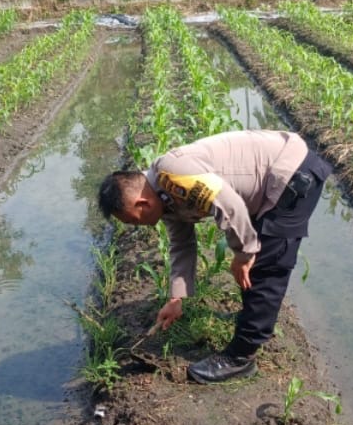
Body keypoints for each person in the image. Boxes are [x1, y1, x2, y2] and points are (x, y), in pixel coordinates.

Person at [97, 130, 331, 384]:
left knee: (266, 267)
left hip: (290, 172)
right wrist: (176, 298)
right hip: (270, 179)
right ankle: (254, 319)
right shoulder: (164, 196)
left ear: (143, 204)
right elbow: (182, 244)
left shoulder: (172, 175)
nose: (137, 226)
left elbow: (229, 205)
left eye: (133, 221)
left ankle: (240, 357)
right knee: (255, 257)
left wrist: (243, 254)